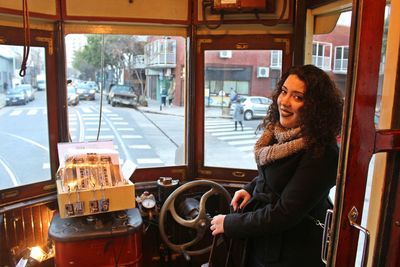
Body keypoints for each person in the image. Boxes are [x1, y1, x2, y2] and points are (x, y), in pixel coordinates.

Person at [210, 65, 343, 267]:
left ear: (315, 107)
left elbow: (285, 213)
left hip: (291, 254)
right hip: (265, 244)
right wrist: (250, 188)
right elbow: (273, 176)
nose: (284, 102)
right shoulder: (279, 133)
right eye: (284, 91)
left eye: (297, 97)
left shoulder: (322, 152)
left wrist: (229, 224)